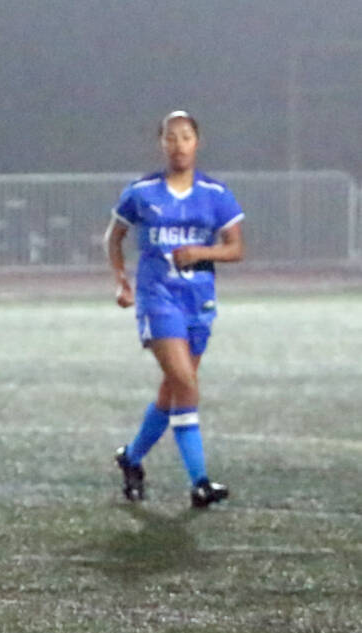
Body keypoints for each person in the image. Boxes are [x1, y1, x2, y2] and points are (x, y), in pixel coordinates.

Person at [105, 110, 244, 508]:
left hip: (198, 300)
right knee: (184, 382)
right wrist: (122, 281)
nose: (178, 144)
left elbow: (236, 248)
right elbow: (114, 237)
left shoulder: (215, 194)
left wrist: (201, 251)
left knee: (173, 389)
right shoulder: (142, 191)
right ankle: (200, 481)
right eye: (170, 137)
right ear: (161, 143)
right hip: (157, 297)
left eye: (185, 136)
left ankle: (131, 458)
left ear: (196, 142)